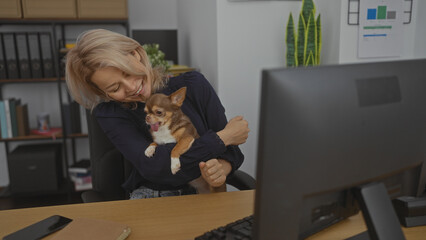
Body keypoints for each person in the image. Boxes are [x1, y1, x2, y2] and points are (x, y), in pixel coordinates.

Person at [65, 29, 249, 199]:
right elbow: (158, 167)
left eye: (128, 73)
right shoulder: (111, 115)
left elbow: (232, 151)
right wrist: (221, 138)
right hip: (154, 196)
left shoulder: (194, 85)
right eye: (115, 88)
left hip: (208, 193)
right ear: (103, 93)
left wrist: (220, 170)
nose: (131, 87)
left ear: (136, 53)